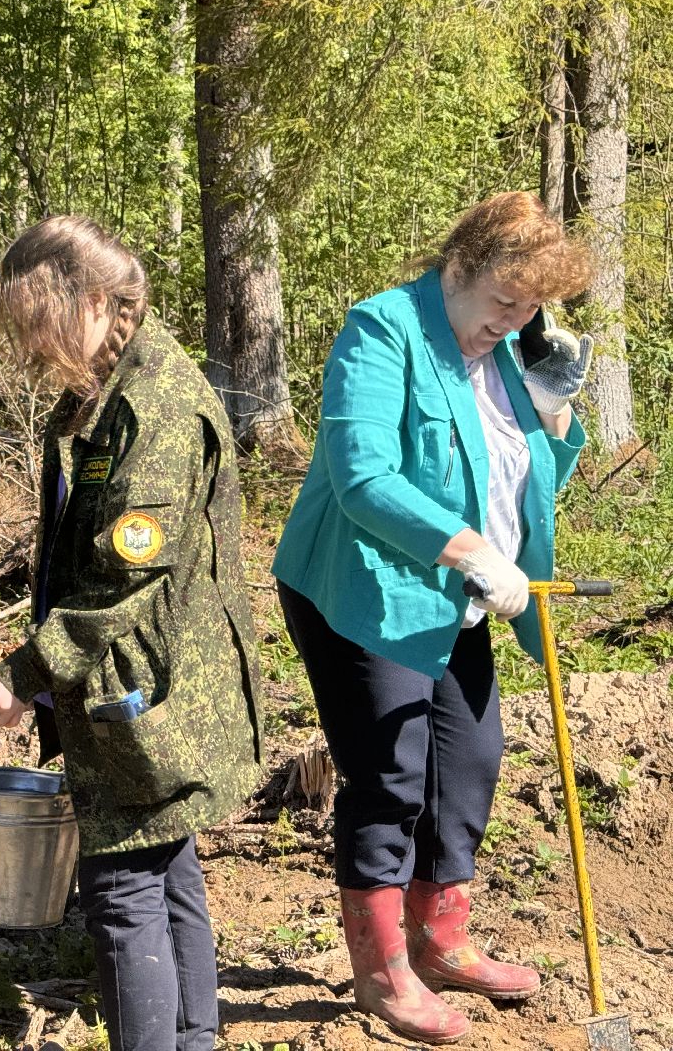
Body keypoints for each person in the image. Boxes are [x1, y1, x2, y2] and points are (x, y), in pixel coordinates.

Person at [271, 191, 595, 1044]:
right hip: (365, 590)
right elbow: (364, 477)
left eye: (528, 310)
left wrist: (553, 407)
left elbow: (529, 482)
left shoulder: (509, 353)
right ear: (460, 268)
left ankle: (441, 938)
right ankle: (383, 974)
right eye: (501, 304)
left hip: (460, 600)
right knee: (389, 775)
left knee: (472, 759)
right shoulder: (383, 331)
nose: (512, 323)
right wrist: (472, 552)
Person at [0, 216, 264, 1051]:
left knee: (125, 892)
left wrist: (25, 672)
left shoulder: (155, 405)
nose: (28, 347)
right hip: (129, 681)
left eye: (39, 324)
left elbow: (123, 577)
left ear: (96, 302)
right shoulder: (106, 386)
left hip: (149, 692)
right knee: (167, 875)